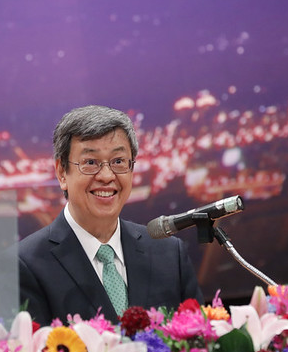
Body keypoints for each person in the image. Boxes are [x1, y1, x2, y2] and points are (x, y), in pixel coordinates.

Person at [17, 105, 203, 324]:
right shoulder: (25, 265)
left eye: (118, 162)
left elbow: (199, 348)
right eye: (90, 162)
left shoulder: (170, 254)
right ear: (61, 173)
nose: (106, 176)